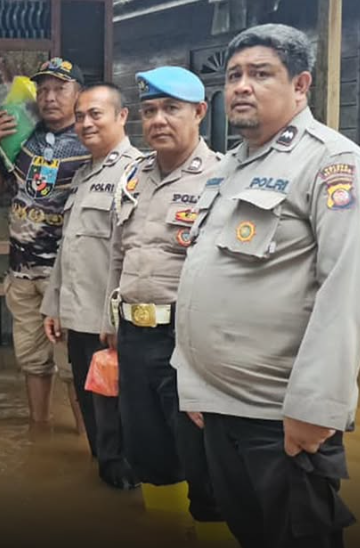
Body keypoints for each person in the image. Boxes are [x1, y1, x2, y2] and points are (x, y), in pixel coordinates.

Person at [173, 24, 360, 548]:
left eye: (261, 74)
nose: (241, 85)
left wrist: (315, 409)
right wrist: (194, 380)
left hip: (279, 416)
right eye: (234, 74)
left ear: (301, 86)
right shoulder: (228, 167)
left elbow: (346, 291)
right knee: (248, 533)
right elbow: (201, 276)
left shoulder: (331, 162)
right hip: (218, 406)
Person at [102, 66, 224, 530]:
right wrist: (109, 321)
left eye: (171, 109)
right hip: (133, 333)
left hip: (189, 338)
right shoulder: (132, 176)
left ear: (199, 112)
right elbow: (118, 254)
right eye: (150, 110)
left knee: (202, 455)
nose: (158, 120)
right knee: (148, 450)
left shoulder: (221, 179)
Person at [0, 57, 91, 424]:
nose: (49, 97)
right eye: (42, 90)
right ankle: (38, 434)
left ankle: (87, 442)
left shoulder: (91, 142)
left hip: (66, 275)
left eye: (60, 89)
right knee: (32, 361)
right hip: (21, 271)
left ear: (78, 93)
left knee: (73, 365)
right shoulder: (25, 140)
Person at [41, 83, 139, 490]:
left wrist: (113, 323)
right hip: (78, 319)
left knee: (118, 417)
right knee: (95, 415)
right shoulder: (83, 175)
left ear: (122, 116)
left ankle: (127, 494)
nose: (85, 123)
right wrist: (52, 305)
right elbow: (69, 251)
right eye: (80, 116)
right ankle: (107, 488)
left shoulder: (136, 173)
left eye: (95, 114)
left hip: (110, 325)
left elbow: (132, 258)